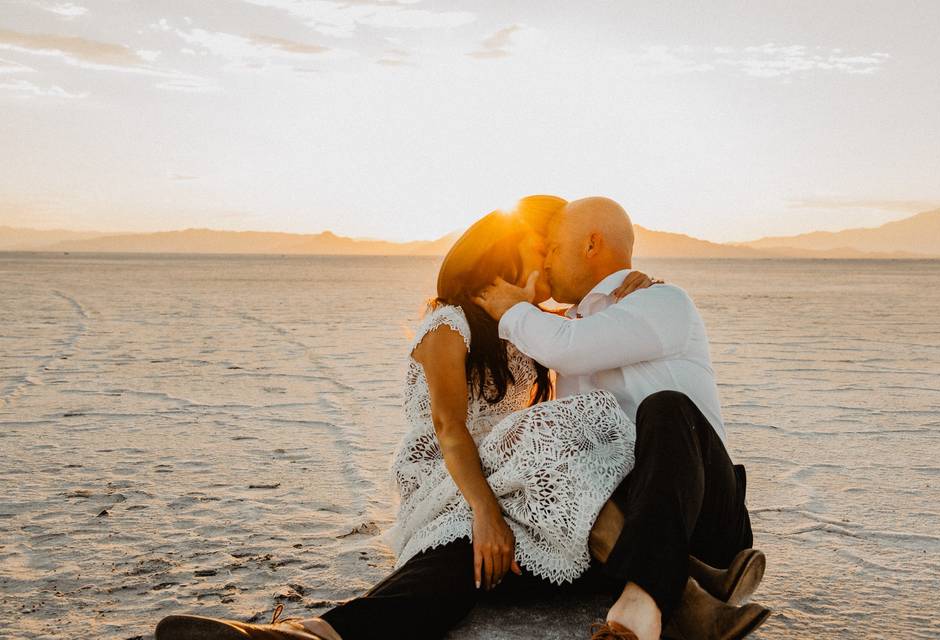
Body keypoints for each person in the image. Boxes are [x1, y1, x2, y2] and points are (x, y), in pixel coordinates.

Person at [154, 195, 652, 640]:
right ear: (506, 249)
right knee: (463, 557)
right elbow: (448, 429)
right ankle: (313, 632)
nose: (550, 261)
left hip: (512, 482)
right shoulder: (449, 324)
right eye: (542, 247)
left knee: (559, 472)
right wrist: (485, 512)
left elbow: (594, 332)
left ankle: (313, 633)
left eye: (555, 250)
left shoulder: (533, 326)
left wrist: (630, 287)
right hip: (451, 483)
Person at [474, 196, 769, 640]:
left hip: (706, 517)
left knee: (665, 407)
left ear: (592, 244)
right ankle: (690, 589)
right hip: (620, 531)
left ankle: (639, 610)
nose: (547, 261)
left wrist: (511, 308)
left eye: (553, 248)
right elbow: (567, 344)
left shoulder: (663, 301)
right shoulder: (566, 325)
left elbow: (569, 347)